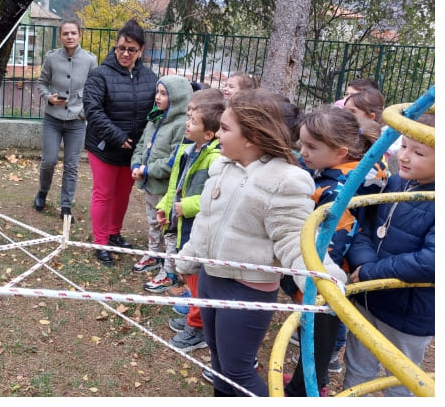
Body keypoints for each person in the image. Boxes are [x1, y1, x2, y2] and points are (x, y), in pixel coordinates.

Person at [174, 89, 347, 396]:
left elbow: (295, 240)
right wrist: (188, 255)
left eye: (226, 129)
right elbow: (205, 221)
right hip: (211, 280)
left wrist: (324, 277)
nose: (218, 135)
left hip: (246, 290)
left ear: (251, 137)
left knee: (238, 372)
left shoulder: (284, 181)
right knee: (219, 367)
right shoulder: (222, 167)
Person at [281, 106, 386, 397]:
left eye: (311, 146)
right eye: (301, 143)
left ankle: (307, 390)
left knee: (316, 334)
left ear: (340, 152)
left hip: (327, 274)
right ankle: (310, 379)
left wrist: (311, 277)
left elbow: (334, 240)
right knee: (315, 336)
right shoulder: (358, 172)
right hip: (337, 270)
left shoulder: (336, 191)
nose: (304, 152)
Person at [343, 113, 434, 397]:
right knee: (357, 370)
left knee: (401, 380)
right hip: (369, 300)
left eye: (418, 152)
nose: (404, 156)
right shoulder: (395, 182)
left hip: (409, 313)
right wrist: (365, 262)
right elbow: (364, 226)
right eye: (404, 146)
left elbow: (431, 261)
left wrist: (371, 272)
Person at [83, 19, 158, 266]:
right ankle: (100, 242)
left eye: (131, 49)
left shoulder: (149, 77)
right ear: (115, 46)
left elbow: (156, 108)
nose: (125, 53)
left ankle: (114, 233)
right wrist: (116, 136)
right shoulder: (99, 75)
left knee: (123, 194)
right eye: (121, 48)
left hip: (133, 151)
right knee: (103, 194)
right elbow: (93, 111)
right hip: (104, 147)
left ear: (141, 51)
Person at [160, 99, 224, 350]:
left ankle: (197, 329)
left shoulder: (214, 158)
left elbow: (214, 195)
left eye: (193, 121)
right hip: (183, 225)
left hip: (197, 227)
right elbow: (178, 183)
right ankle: (194, 317)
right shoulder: (190, 150)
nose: (187, 123)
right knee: (190, 275)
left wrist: (185, 206)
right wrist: (165, 206)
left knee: (197, 282)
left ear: (209, 133)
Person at [128, 75, 193, 287]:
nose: (157, 97)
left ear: (178, 98)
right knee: (152, 222)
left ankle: (170, 270)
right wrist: (136, 165)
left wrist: (148, 170)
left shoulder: (182, 127)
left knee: (169, 230)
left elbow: (173, 161)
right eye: (157, 92)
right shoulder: (155, 118)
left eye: (163, 94)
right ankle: (153, 254)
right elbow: (140, 145)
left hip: (166, 190)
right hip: (149, 185)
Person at [33, 19, 98, 220]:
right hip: (53, 118)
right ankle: (42, 192)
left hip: (77, 121)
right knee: (49, 161)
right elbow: (42, 83)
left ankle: (66, 206)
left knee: (71, 165)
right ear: (60, 36)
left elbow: (94, 90)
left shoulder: (90, 60)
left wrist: (85, 114)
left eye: (73, 33)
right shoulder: (52, 58)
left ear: (79, 35)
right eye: (65, 33)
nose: (69, 37)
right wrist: (48, 97)